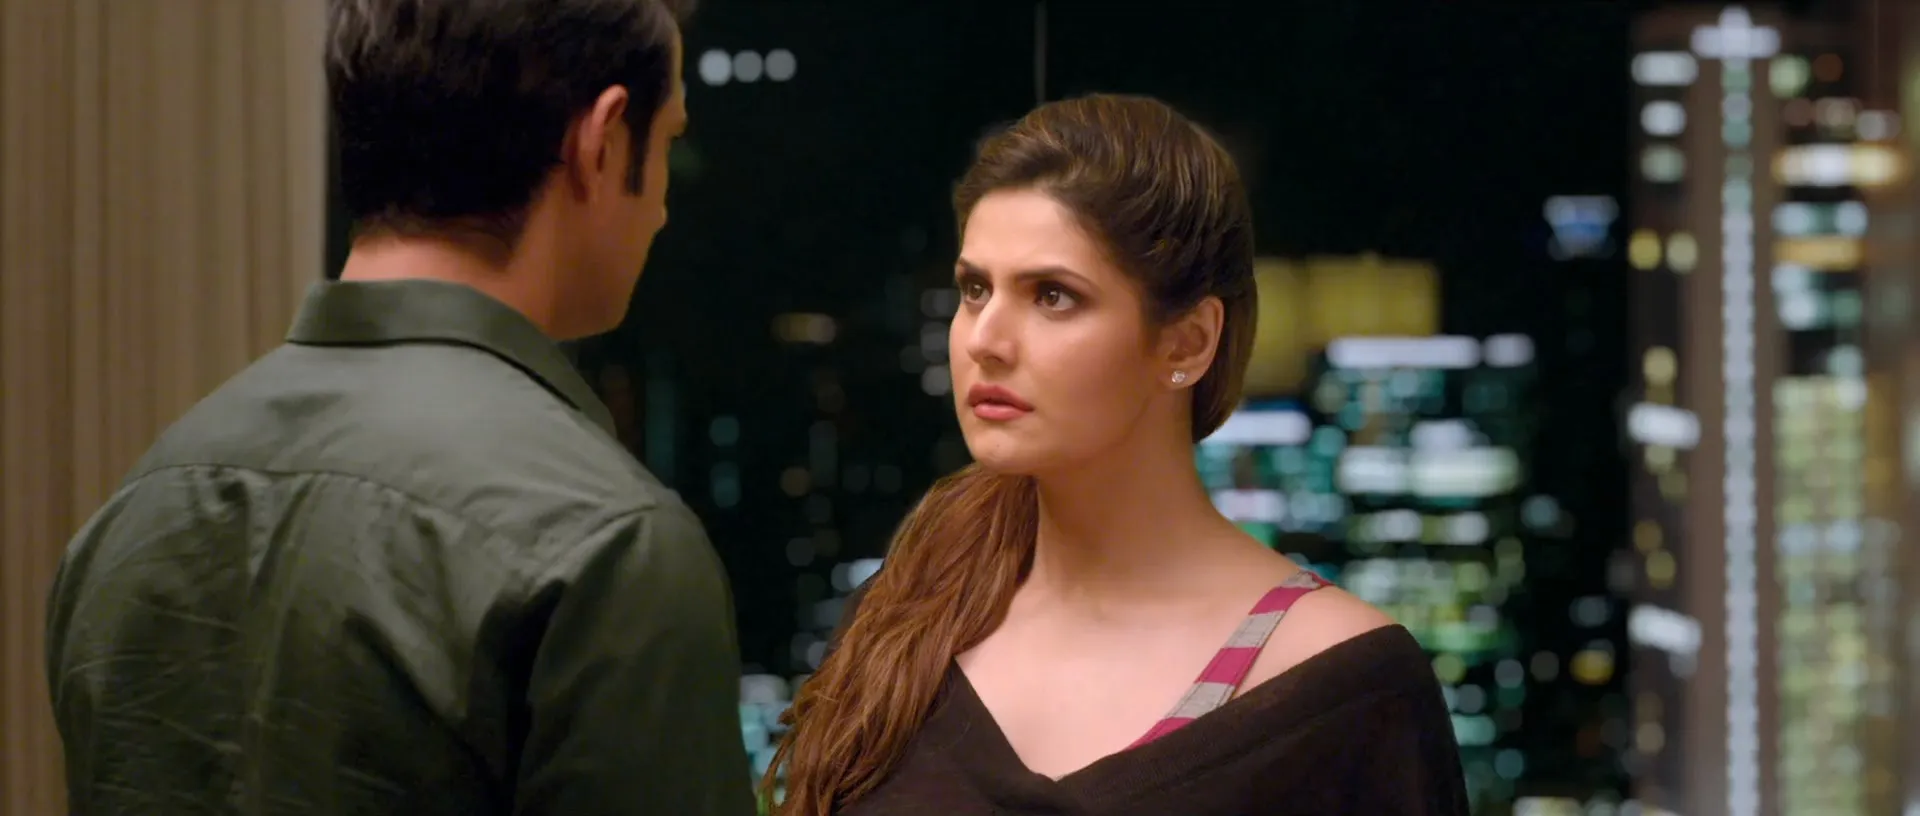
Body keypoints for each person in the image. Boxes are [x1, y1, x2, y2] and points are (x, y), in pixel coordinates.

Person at [43, 1, 755, 814]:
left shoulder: (135, 508)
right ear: (602, 141)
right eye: (667, 143)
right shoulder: (608, 544)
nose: (662, 207)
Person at [764, 95, 1470, 815]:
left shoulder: (1344, 684)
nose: (984, 340)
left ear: (1188, 342)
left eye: (1053, 296)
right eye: (975, 289)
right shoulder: (905, 617)